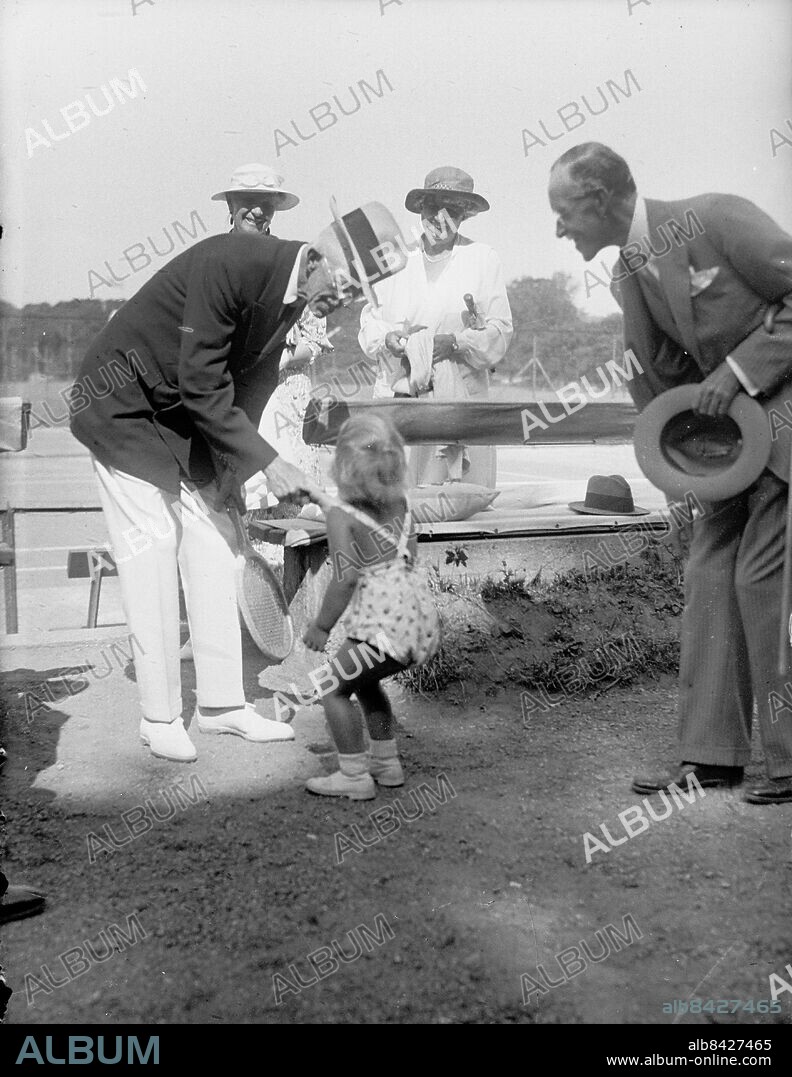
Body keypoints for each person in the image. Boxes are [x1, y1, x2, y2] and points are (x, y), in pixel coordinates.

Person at [547, 141, 792, 805]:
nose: (559, 227)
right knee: (709, 574)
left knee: (759, 579)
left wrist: (739, 372)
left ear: (599, 200)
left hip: (786, 435)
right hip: (725, 450)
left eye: (564, 211)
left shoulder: (717, 217)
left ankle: (788, 758)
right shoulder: (627, 273)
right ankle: (712, 756)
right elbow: (656, 381)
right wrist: (679, 479)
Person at [70, 227, 356, 763]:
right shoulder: (231, 262)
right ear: (316, 259)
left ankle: (222, 707)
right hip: (120, 409)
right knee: (152, 551)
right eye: (343, 288)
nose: (342, 304)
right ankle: (158, 718)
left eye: (355, 296)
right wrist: (269, 464)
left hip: (179, 416)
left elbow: (251, 385)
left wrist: (232, 474)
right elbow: (202, 383)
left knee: (218, 542)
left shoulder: (297, 292)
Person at [301, 415, 441, 800]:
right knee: (363, 680)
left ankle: (353, 775)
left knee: (330, 687)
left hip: (381, 630)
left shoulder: (341, 516)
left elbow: (344, 578)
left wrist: (322, 627)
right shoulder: (403, 506)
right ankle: (386, 762)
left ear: (343, 466)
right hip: (416, 625)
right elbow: (405, 559)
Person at [358, 166, 513, 487]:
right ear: (421, 210)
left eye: (452, 210)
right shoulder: (394, 261)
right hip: (399, 400)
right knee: (393, 501)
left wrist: (456, 343)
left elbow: (500, 332)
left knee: (460, 505)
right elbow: (369, 323)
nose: (441, 218)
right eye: (433, 208)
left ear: (464, 216)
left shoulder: (482, 259)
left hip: (459, 404)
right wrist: (388, 338)